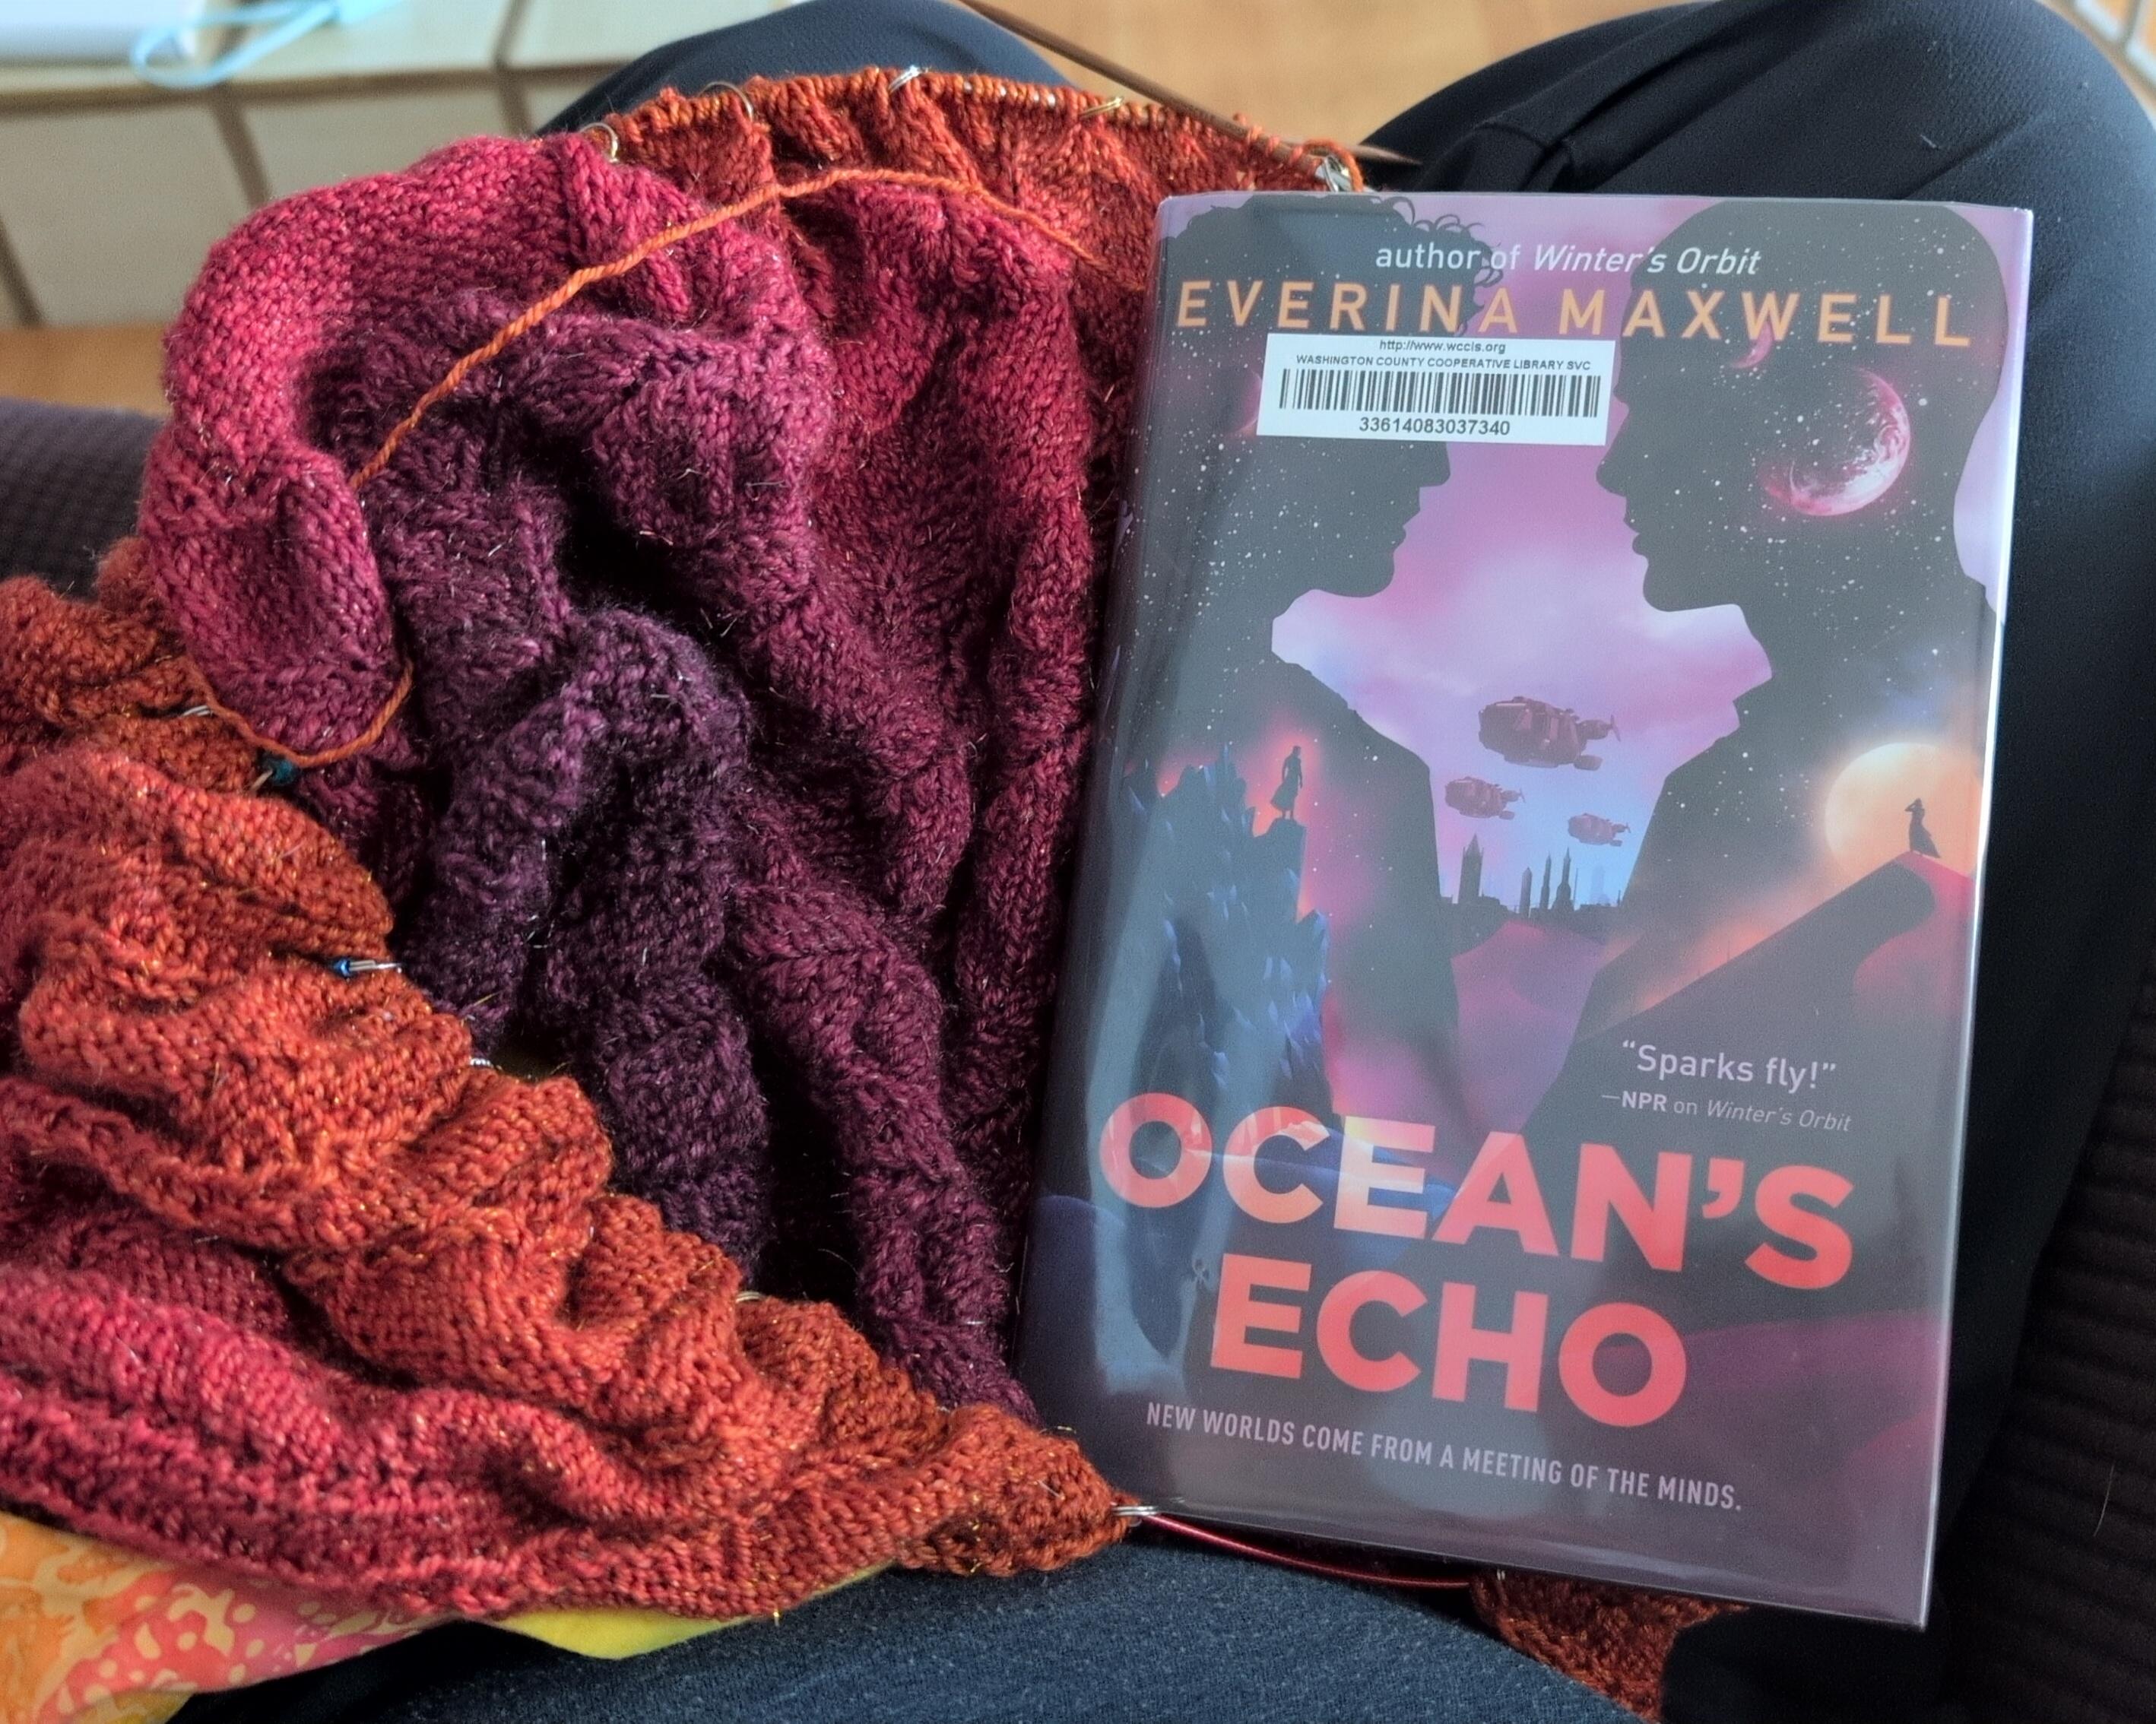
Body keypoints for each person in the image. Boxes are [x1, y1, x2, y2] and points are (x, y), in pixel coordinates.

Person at [121, 1, 2156, 1720]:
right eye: (1415, 430)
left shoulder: (1397, 777)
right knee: (1997, 118)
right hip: (1261, 1504)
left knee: (831, 88)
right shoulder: (1427, 780)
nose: (1502, 468)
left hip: (955, 1446)